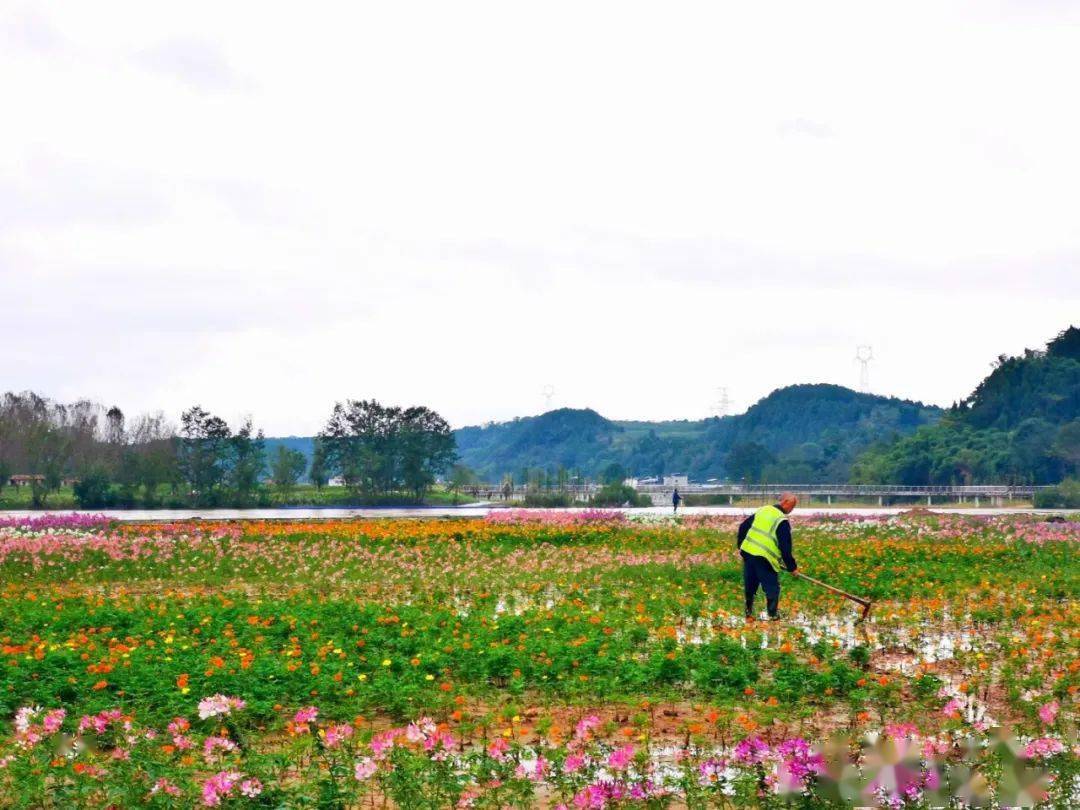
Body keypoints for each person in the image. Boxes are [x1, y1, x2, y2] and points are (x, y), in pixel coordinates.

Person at [736, 493, 798, 620]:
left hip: (748, 553)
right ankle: (773, 615)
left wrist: (741, 546)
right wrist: (792, 567)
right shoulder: (781, 520)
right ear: (785, 502)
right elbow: (785, 547)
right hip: (764, 558)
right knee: (772, 588)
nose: (791, 510)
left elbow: (743, 527)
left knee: (750, 586)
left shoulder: (763, 510)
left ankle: (748, 613)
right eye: (792, 507)